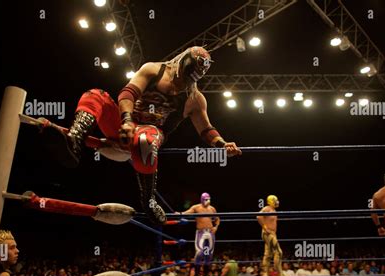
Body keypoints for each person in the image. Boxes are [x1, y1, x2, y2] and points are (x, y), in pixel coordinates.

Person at [42, 46, 242, 225]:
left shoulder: (195, 98)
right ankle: (73, 143)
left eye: (189, 80)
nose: (181, 84)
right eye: (183, 76)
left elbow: (206, 129)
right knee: (95, 95)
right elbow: (127, 94)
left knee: (145, 139)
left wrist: (223, 144)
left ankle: (148, 198)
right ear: (180, 63)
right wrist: (127, 121)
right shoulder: (153, 70)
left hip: (151, 133)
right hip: (123, 125)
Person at [182, 192, 220, 276]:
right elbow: (188, 212)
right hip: (201, 233)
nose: (208, 201)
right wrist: (180, 214)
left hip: (210, 233)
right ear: (202, 200)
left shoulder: (212, 209)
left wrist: (216, 227)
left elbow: (217, 219)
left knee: (208, 255)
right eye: (206, 199)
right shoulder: (197, 207)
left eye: (209, 199)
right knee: (199, 253)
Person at [257, 195, 283, 276]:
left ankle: (265, 273)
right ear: (271, 201)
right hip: (268, 233)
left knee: (268, 254)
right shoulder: (267, 208)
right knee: (279, 252)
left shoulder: (274, 210)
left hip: (272, 234)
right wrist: (265, 228)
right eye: (275, 200)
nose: (277, 202)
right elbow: (258, 216)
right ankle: (280, 273)